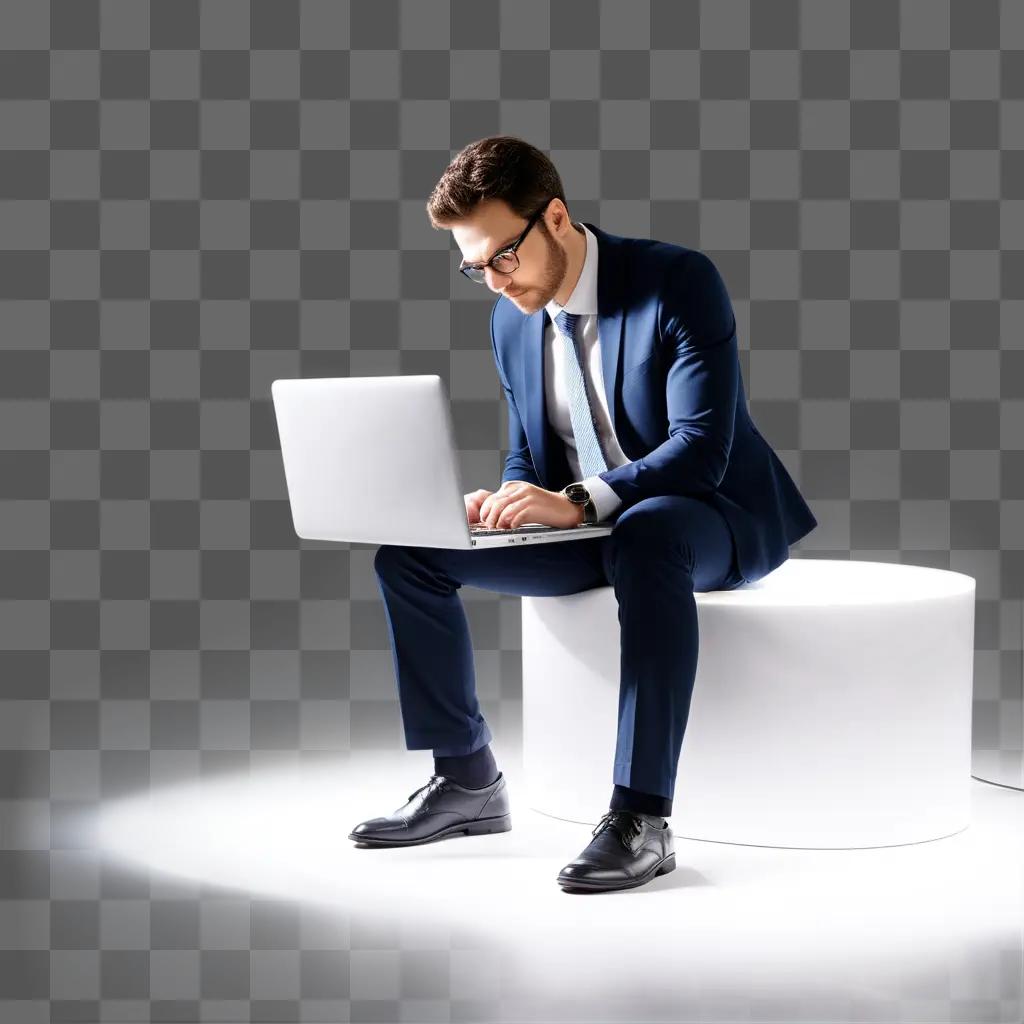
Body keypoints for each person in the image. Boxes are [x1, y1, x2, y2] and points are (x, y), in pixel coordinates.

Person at [348, 136, 818, 894]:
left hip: (713, 514)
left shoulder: (676, 281)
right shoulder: (511, 321)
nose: (495, 282)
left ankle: (642, 818)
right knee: (410, 554)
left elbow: (702, 449)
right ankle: (467, 780)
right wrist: (501, 504)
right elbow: (530, 457)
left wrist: (574, 502)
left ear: (556, 218)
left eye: (503, 256)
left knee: (648, 531)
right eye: (475, 268)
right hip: (600, 525)